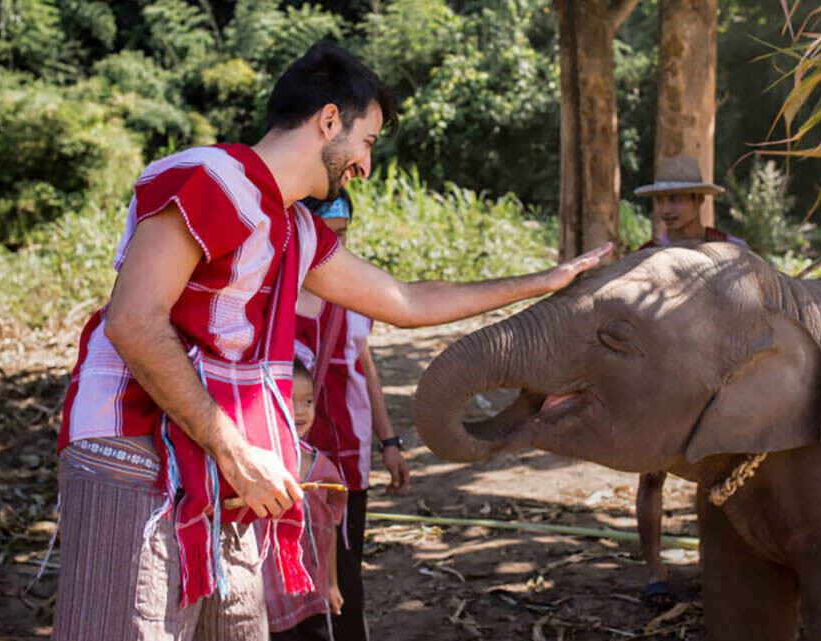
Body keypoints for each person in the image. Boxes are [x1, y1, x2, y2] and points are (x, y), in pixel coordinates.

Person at [53, 41, 610, 641]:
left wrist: (543, 283)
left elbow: (404, 300)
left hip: (227, 472)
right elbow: (134, 320)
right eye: (367, 141)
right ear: (327, 121)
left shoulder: (293, 227)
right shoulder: (209, 177)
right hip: (138, 453)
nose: (365, 167)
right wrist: (234, 451)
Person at [285, 190, 405, 641]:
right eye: (325, 236)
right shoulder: (276, 298)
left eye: (343, 235)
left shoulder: (356, 295)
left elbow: (364, 366)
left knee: (346, 578)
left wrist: (389, 441)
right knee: (300, 577)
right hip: (295, 463)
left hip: (349, 461)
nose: (336, 248)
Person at [631, 155, 743, 610]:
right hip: (659, 377)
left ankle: (717, 566)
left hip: (716, 375)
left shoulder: (730, 250)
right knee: (652, 474)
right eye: (662, 199)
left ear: (699, 200)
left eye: (678, 198)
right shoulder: (644, 255)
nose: (669, 208)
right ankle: (655, 570)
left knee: (719, 476)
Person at [264, 359, 346, 640]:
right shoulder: (258, 472)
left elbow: (329, 529)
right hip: (269, 600)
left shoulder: (323, 470)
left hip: (313, 595)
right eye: (290, 400)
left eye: (308, 401)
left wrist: (332, 584)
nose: (300, 411)